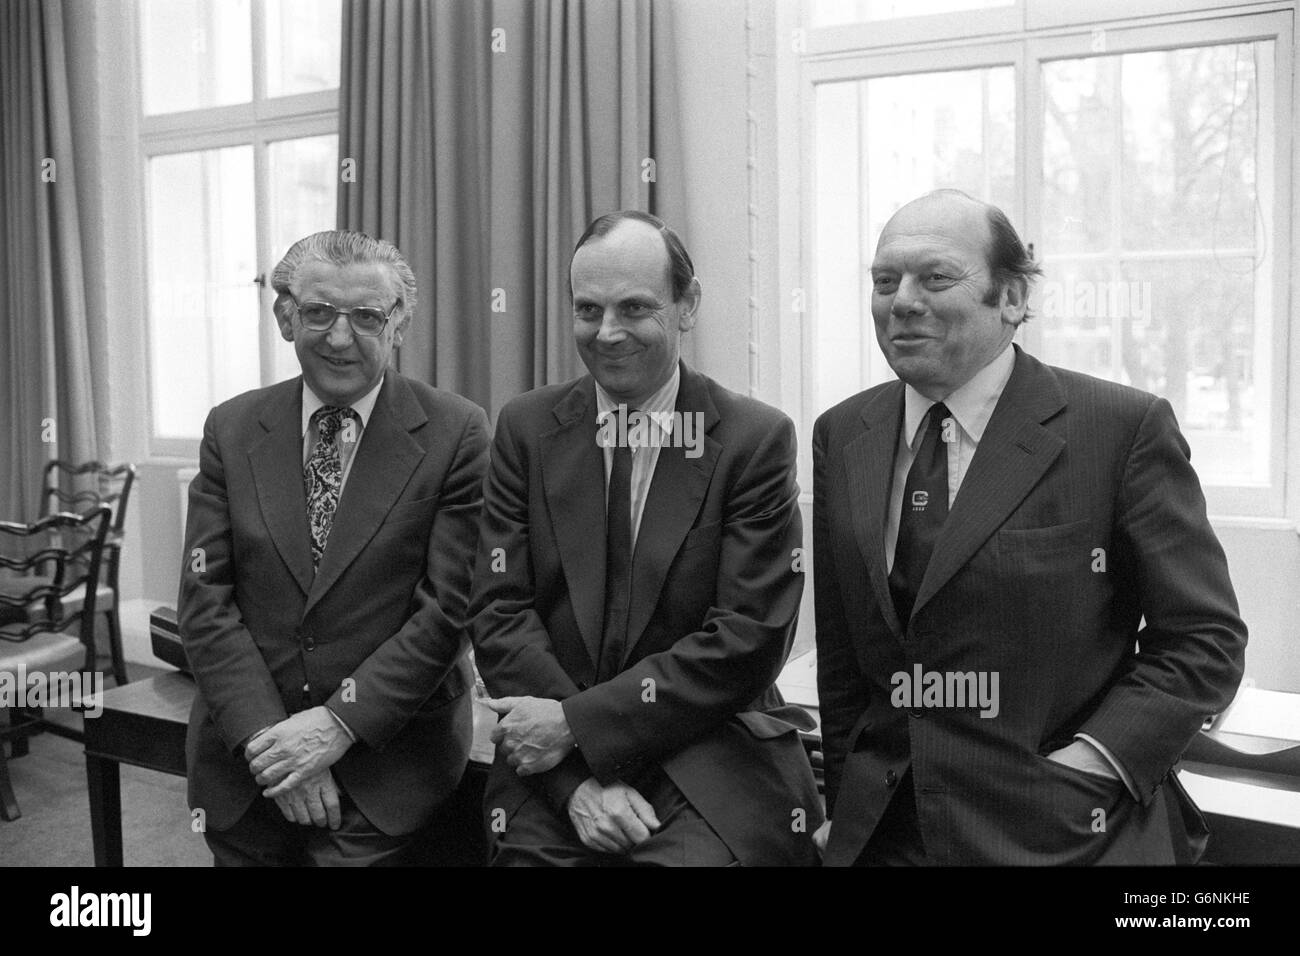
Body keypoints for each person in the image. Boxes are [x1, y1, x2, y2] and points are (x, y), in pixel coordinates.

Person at [812, 189, 1247, 865]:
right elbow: (843, 661)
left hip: (1069, 832)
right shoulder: (842, 435)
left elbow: (1204, 641)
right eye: (884, 280)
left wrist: (1091, 765)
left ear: (1012, 299)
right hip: (887, 834)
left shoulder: (1118, 429)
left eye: (935, 277)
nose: (901, 300)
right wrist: (845, 809)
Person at [469, 210, 822, 866]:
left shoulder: (753, 441)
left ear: (687, 305)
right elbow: (498, 611)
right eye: (587, 309)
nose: (607, 333)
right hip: (552, 766)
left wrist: (578, 728)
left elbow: (747, 640)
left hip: (709, 753)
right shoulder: (525, 428)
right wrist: (572, 779)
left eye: (635, 307)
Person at [179, 229, 490, 865]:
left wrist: (333, 727)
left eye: (367, 317)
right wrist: (274, 743)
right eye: (319, 312)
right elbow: (204, 602)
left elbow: (449, 611)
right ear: (285, 316)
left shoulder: (458, 433)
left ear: (398, 323)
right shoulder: (231, 428)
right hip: (249, 764)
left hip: (389, 770)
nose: (340, 337)